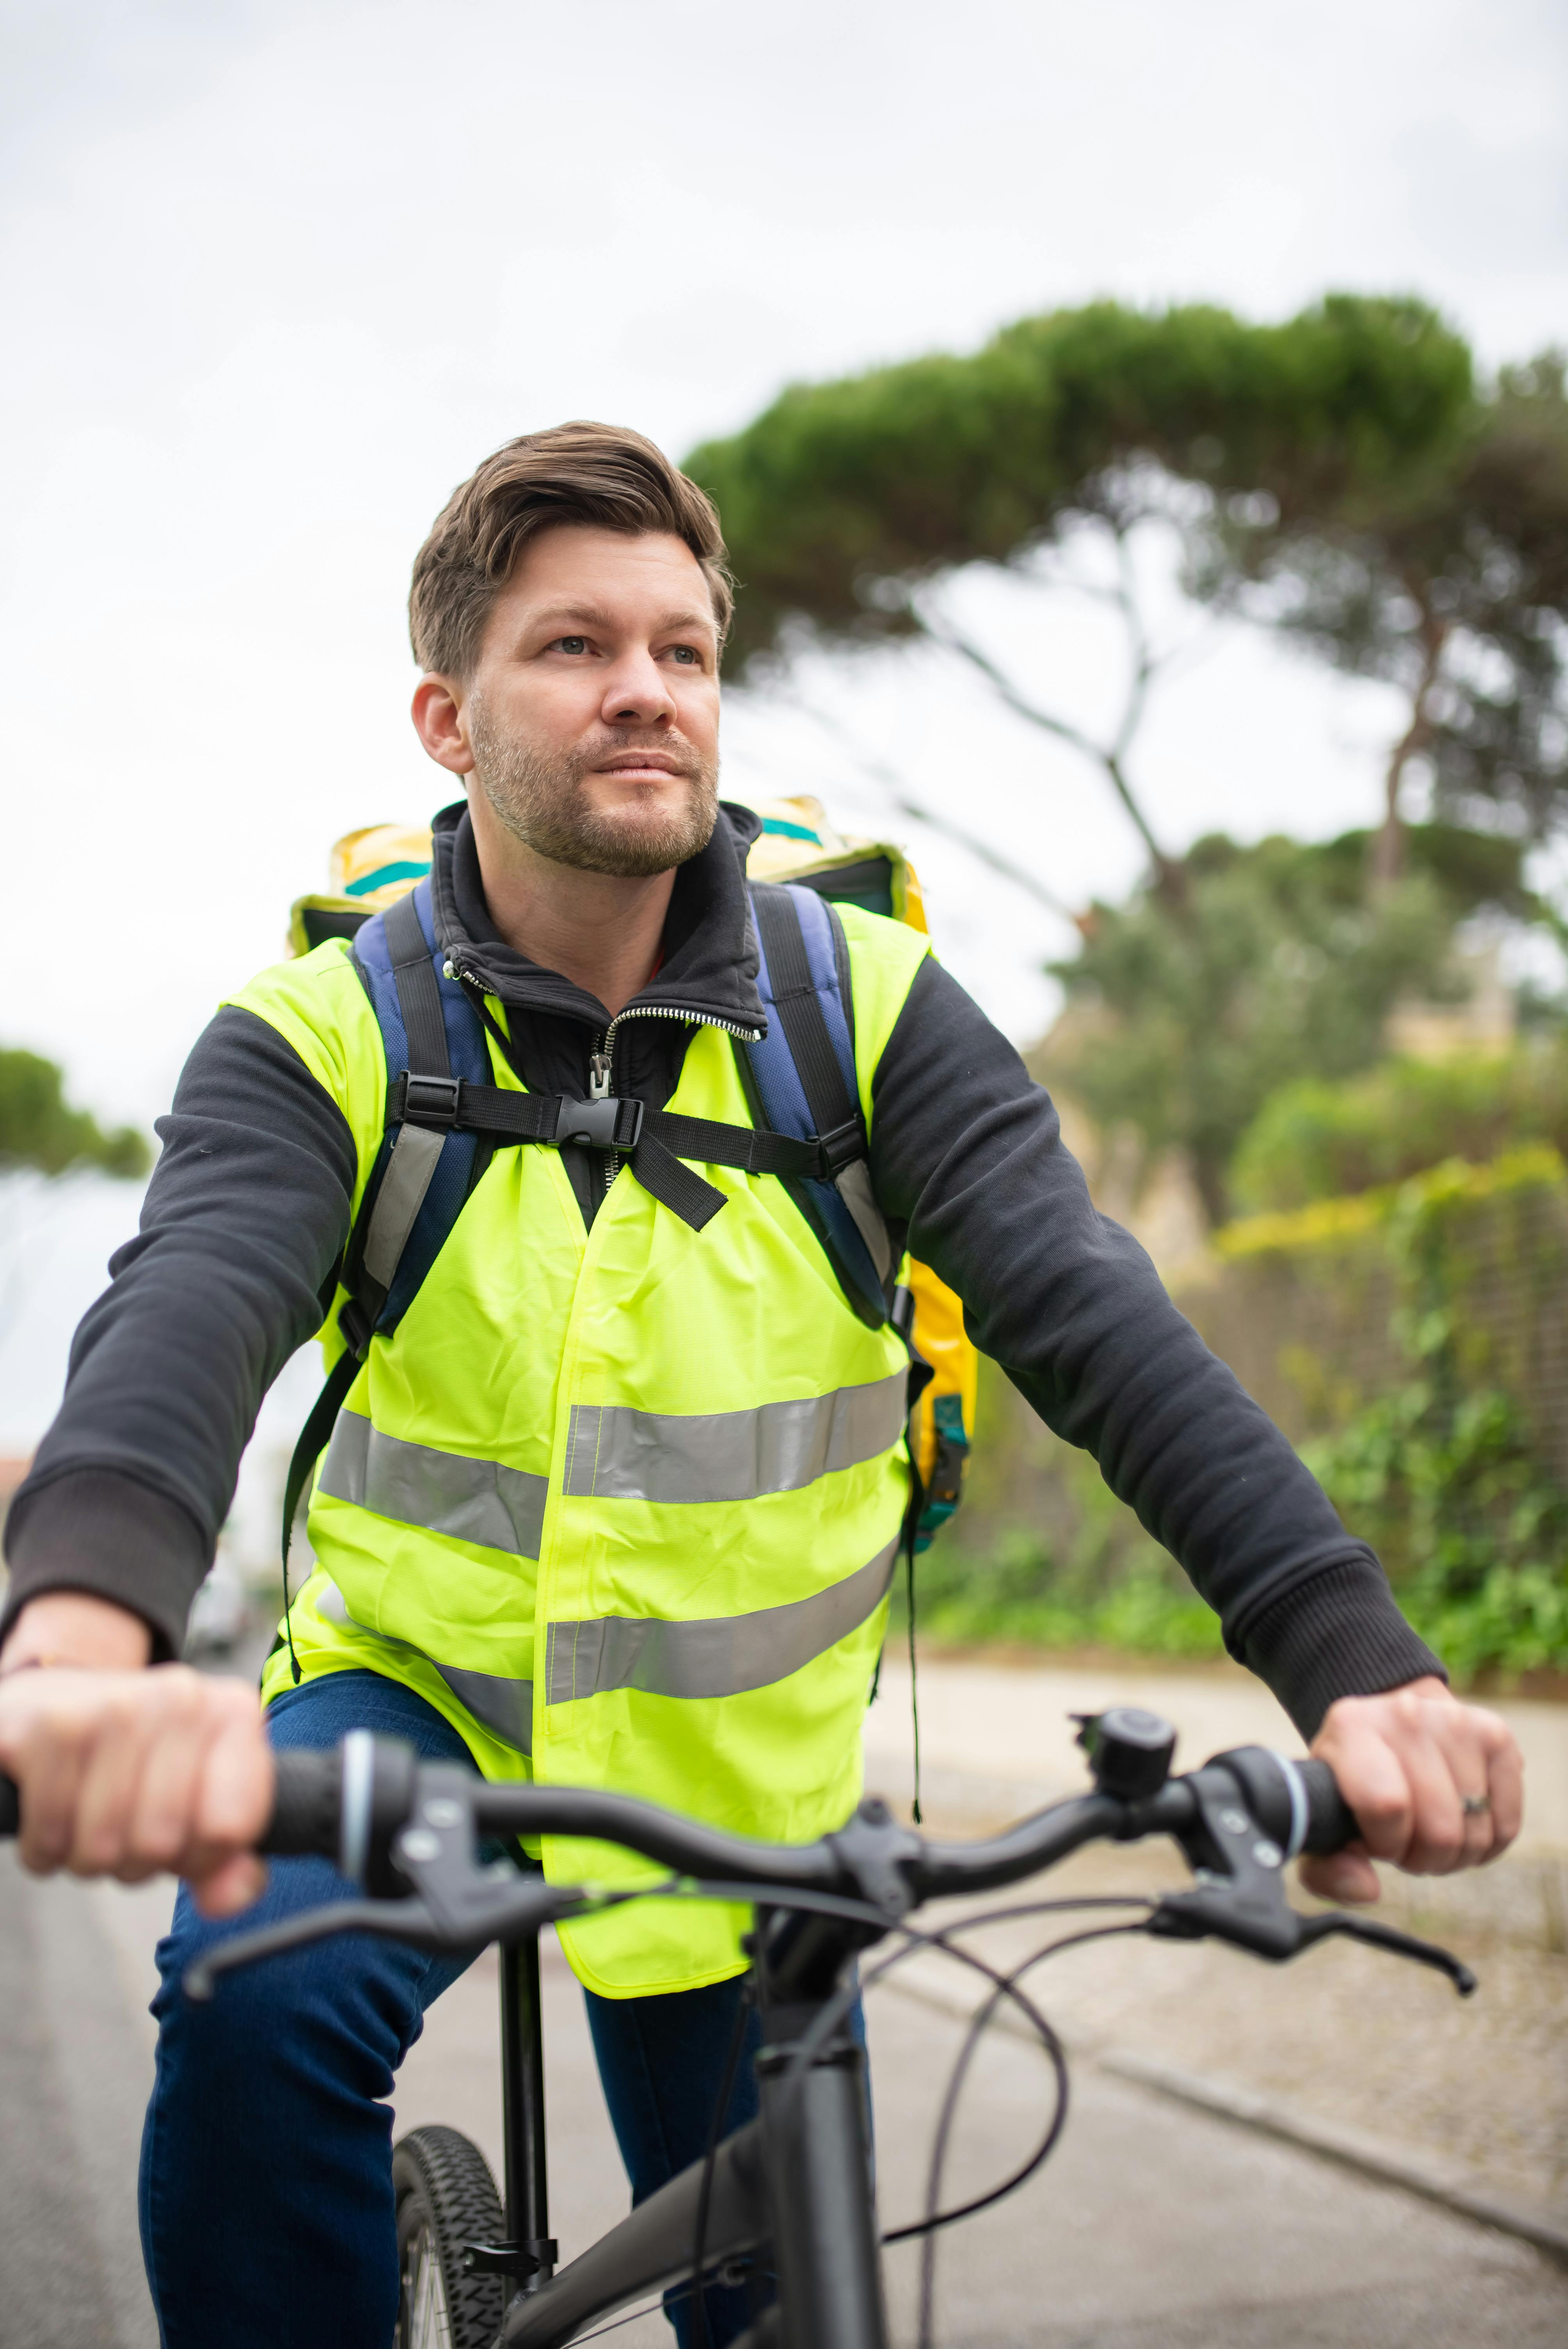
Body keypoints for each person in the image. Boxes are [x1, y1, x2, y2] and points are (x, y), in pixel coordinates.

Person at [0, 423, 1523, 2349]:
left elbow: (1099, 1328)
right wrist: (77, 1651)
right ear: (446, 720)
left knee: (782, 2308)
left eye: (683, 649)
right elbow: (181, 1317)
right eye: (571, 646)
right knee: (252, 2009)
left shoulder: (861, 1007)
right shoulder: (327, 1030)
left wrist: (1355, 1667)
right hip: (414, 1703)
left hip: (752, 1789)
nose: (644, 688)